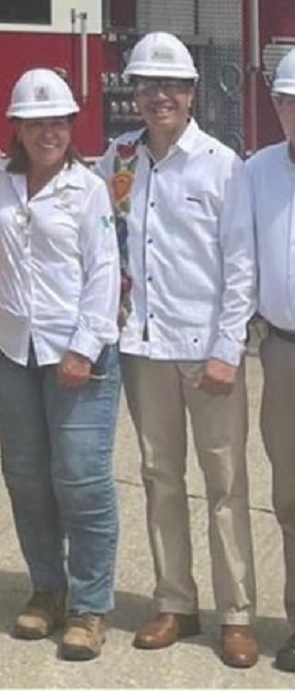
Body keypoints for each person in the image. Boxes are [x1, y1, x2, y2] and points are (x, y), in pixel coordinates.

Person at [96, 31, 257, 668]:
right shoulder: (119, 159)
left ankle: (236, 613)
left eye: (172, 86)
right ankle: (175, 601)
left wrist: (227, 348)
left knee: (225, 483)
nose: (159, 95)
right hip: (144, 347)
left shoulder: (222, 166)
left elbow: (239, 267)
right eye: (147, 84)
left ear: (192, 94)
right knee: (160, 477)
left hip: (206, 352)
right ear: (133, 93)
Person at [0, 69, 120, 660]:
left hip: (75, 351)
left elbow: (104, 271)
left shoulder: (89, 189)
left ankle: (89, 606)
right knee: (27, 477)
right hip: (8, 345)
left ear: (70, 126)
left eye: (58, 122)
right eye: (36, 123)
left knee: (81, 479)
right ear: (16, 127)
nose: (48, 132)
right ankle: (47, 591)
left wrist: (84, 347)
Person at [239, 47, 295, 673]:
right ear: (277, 106)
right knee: (291, 496)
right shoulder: (256, 173)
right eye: (291, 102)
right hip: (283, 352)